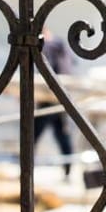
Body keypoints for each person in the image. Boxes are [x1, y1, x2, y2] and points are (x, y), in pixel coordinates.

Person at [35, 28, 73, 177]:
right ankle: (68, 168)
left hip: (47, 96)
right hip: (61, 95)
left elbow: (46, 69)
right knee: (62, 134)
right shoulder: (61, 46)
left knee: (33, 133)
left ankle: (25, 166)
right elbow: (70, 66)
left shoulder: (48, 47)